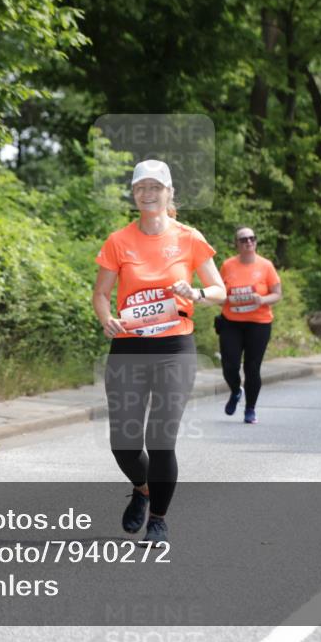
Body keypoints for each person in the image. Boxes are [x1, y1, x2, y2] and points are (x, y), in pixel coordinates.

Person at [92, 159, 225, 545]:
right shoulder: (119, 240)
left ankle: (159, 519)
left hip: (173, 348)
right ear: (134, 195)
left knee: (160, 438)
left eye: (155, 187)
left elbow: (219, 290)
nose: (147, 194)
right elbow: (101, 293)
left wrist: (197, 294)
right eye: (140, 188)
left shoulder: (189, 237)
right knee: (124, 443)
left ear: (169, 193)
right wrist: (106, 318)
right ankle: (142, 487)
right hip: (129, 347)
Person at [216, 226, 282, 423]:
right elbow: (219, 294)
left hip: (258, 323)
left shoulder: (266, 266)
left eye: (252, 238)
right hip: (231, 323)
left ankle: (250, 409)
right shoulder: (228, 266)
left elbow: (277, 294)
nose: (248, 242)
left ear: (256, 242)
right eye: (243, 239)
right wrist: (227, 299)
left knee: (252, 368)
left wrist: (261, 300)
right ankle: (236, 391)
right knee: (229, 365)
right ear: (236, 244)